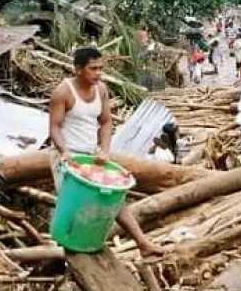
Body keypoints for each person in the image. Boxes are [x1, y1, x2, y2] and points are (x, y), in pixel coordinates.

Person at [48, 47, 164, 256]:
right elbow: (55, 127)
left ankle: (142, 243)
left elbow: (106, 121)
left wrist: (104, 150)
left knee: (114, 199)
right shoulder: (63, 92)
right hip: (68, 157)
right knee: (74, 202)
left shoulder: (101, 90)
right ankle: (72, 246)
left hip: (91, 155)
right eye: (93, 69)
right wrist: (64, 151)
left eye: (101, 68)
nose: (99, 73)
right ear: (78, 70)